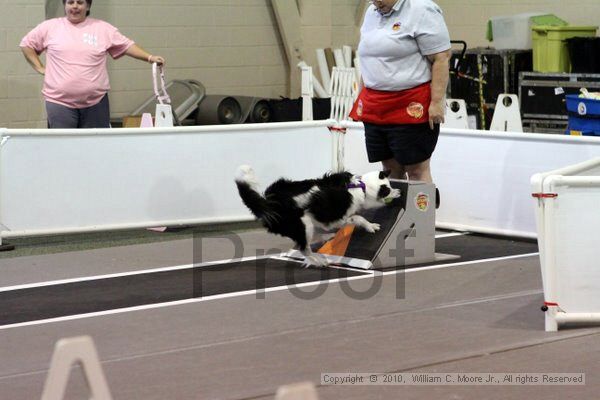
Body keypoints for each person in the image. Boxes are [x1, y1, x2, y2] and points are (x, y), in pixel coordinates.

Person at [349, 0, 451, 186]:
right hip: (376, 106)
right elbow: (371, 59)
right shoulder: (372, 12)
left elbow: (441, 58)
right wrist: (360, 98)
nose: (375, 1)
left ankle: (421, 215)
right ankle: (397, 215)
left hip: (411, 105)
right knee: (389, 170)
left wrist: (437, 102)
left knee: (416, 171)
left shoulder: (422, 9)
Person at [20, 0, 165, 129]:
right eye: (70, 2)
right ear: (65, 5)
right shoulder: (49, 27)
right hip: (59, 102)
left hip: (96, 103)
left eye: (80, 2)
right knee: (63, 149)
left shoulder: (102, 28)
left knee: (95, 148)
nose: (75, 6)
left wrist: (150, 57)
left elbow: (127, 46)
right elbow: (26, 45)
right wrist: (40, 67)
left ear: (88, 5)